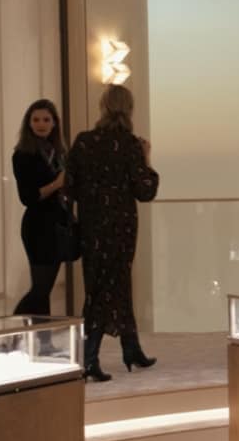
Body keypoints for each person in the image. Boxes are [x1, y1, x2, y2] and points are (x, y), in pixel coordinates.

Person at [66, 85, 159, 382]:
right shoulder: (130, 145)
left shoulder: (84, 142)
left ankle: (130, 348)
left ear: (102, 106)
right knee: (109, 286)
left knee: (104, 284)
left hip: (93, 227)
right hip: (121, 227)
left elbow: (69, 186)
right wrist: (146, 158)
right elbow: (145, 190)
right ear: (129, 109)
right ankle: (89, 357)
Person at [11, 100, 70, 318]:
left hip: (58, 223)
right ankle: (12, 333)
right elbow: (28, 197)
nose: (41, 124)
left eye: (46, 119)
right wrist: (57, 183)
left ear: (54, 123)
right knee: (40, 288)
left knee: (45, 290)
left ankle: (42, 340)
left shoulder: (60, 152)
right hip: (37, 227)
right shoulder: (22, 155)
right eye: (35, 120)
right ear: (28, 123)